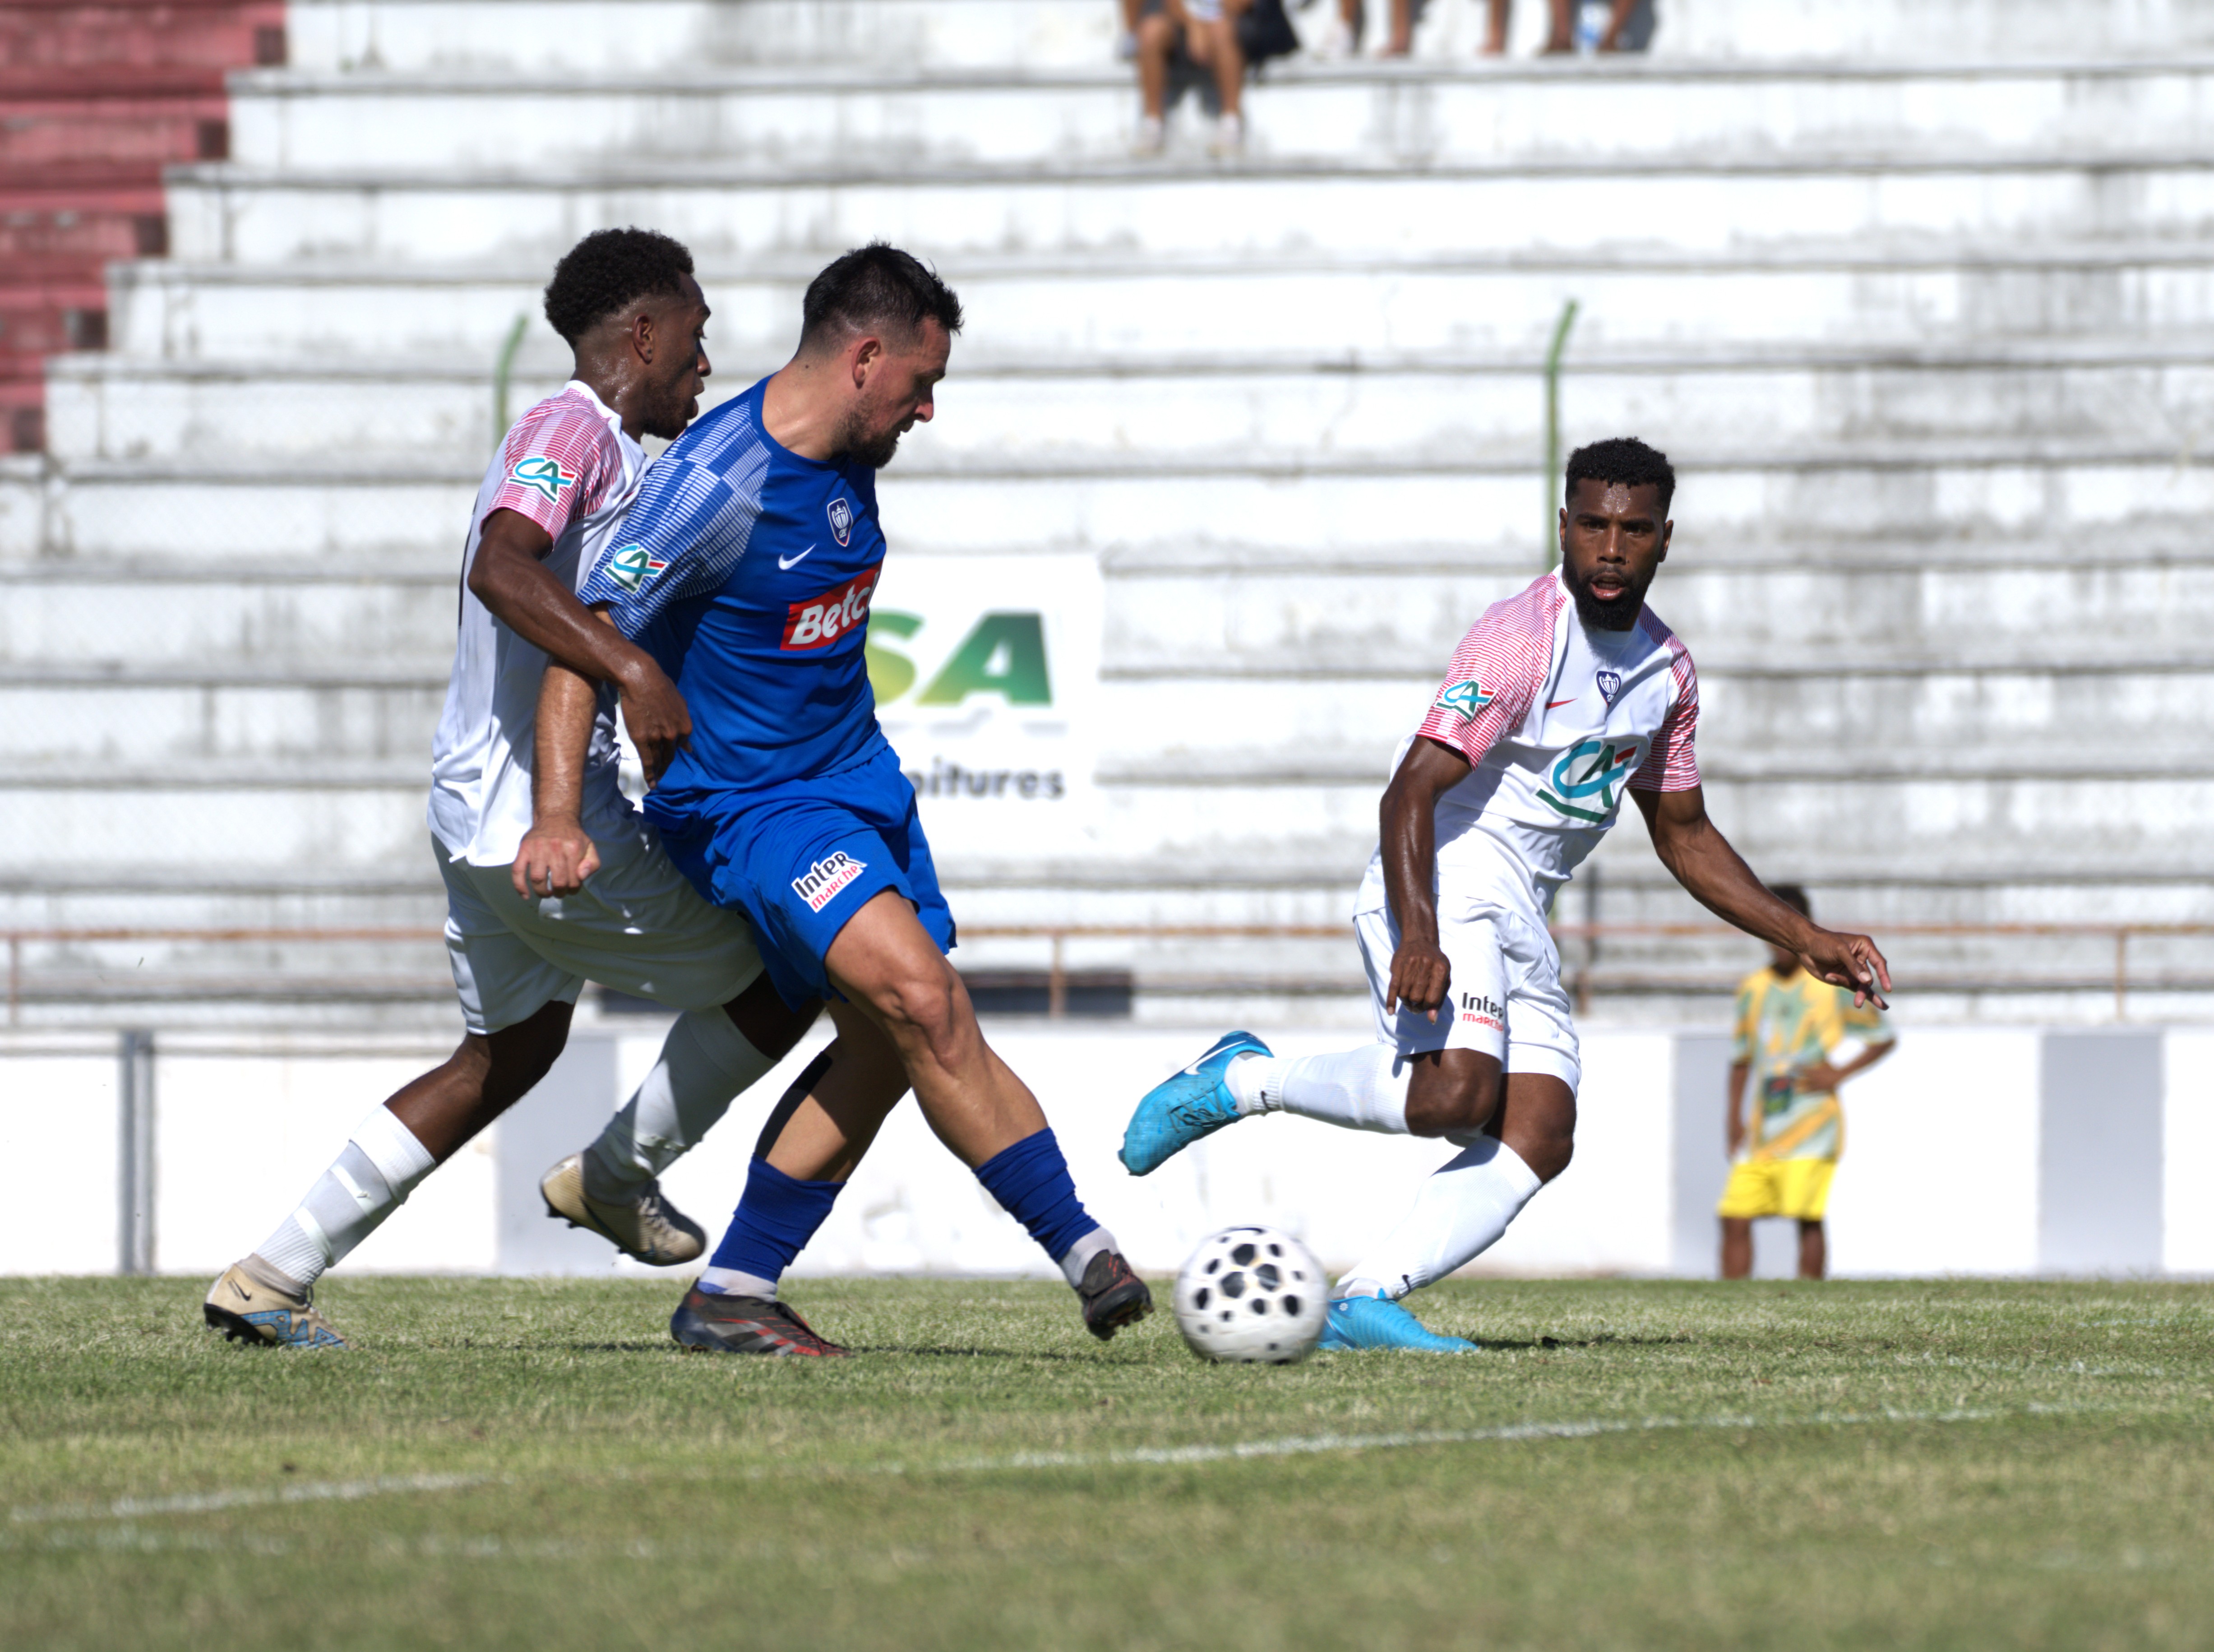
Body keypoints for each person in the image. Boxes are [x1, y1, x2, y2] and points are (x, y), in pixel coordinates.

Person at [202, 229, 846, 1351]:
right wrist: (628, 676)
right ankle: (617, 1177)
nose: (706, 361)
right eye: (694, 335)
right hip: (532, 818)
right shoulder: (569, 429)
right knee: (789, 978)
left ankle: (269, 1276)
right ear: (641, 334)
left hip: (475, 810)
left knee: (504, 1056)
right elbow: (502, 565)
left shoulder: (621, 457)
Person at [1119, 437, 1891, 1351]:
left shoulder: (1667, 674)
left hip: (1522, 902)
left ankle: (1365, 1300)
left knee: (1541, 1130)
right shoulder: (1521, 639)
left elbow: (1682, 835)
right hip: (1446, 874)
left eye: (1634, 530)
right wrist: (1418, 932)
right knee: (1454, 1093)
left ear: (1664, 538)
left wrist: (1804, 937)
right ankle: (1243, 1079)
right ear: (1562, 526)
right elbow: (1409, 790)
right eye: (1593, 526)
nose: (1610, 549)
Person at [532, 242, 1154, 1351]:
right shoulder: (715, 485)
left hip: (858, 784)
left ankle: (733, 1291)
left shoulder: (848, 453)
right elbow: (583, 641)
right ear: (865, 359)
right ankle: (1089, 1253)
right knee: (922, 1000)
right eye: (922, 383)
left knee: (882, 1042)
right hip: (750, 810)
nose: (927, 411)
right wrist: (557, 813)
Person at [1717, 884, 1895, 1281]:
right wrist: (1732, 1117)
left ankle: (1809, 1297)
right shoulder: (1753, 987)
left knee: (1806, 1216)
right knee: (1734, 1214)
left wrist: (1837, 1073)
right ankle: (1729, 1301)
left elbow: (1882, 1037)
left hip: (1812, 1121)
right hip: (1765, 1123)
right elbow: (1741, 1057)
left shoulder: (1829, 981)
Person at [1134, 0, 1250, 156]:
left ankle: (1232, 122)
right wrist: (1194, 25)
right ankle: (1152, 124)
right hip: (1185, 21)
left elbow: (1239, 4)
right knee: (1151, 32)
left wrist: (1206, 22)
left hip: (1233, 22)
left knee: (1221, 31)